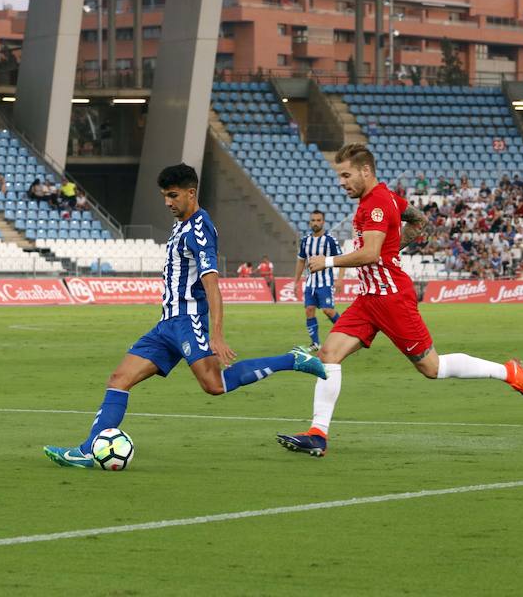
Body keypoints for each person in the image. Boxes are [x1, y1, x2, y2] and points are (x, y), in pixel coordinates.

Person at [44, 163, 328, 468]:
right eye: (165, 196)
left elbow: (212, 285)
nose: (168, 202)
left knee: (214, 385)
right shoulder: (181, 225)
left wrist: (216, 334)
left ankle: (293, 360)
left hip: (188, 321)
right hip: (167, 324)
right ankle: (89, 450)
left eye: (173, 195)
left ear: (191, 193)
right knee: (119, 378)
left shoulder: (200, 229)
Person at [276, 144, 523, 458]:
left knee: (432, 367)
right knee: (328, 354)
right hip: (369, 299)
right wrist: (391, 248)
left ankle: (509, 372)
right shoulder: (387, 198)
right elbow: (418, 222)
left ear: (365, 171)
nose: (341, 182)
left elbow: (371, 253)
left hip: (392, 300)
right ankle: (318, 434)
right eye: (339, 176)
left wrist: (328, 262)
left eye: (346, 175)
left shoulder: (374, 205)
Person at [294, 210, 344, 351]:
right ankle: (315, 343)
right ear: (310, 222)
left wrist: (340, 279)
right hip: (310, 284)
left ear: (323, 222)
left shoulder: (330, 240)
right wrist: (296, 281)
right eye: (313, 220)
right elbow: (300, 261)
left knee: (328, 311)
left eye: (318, 220)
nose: (315, 223)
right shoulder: (305, 241)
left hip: (325, 283)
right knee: (309, 310)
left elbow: (342, 260)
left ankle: (347, 335)